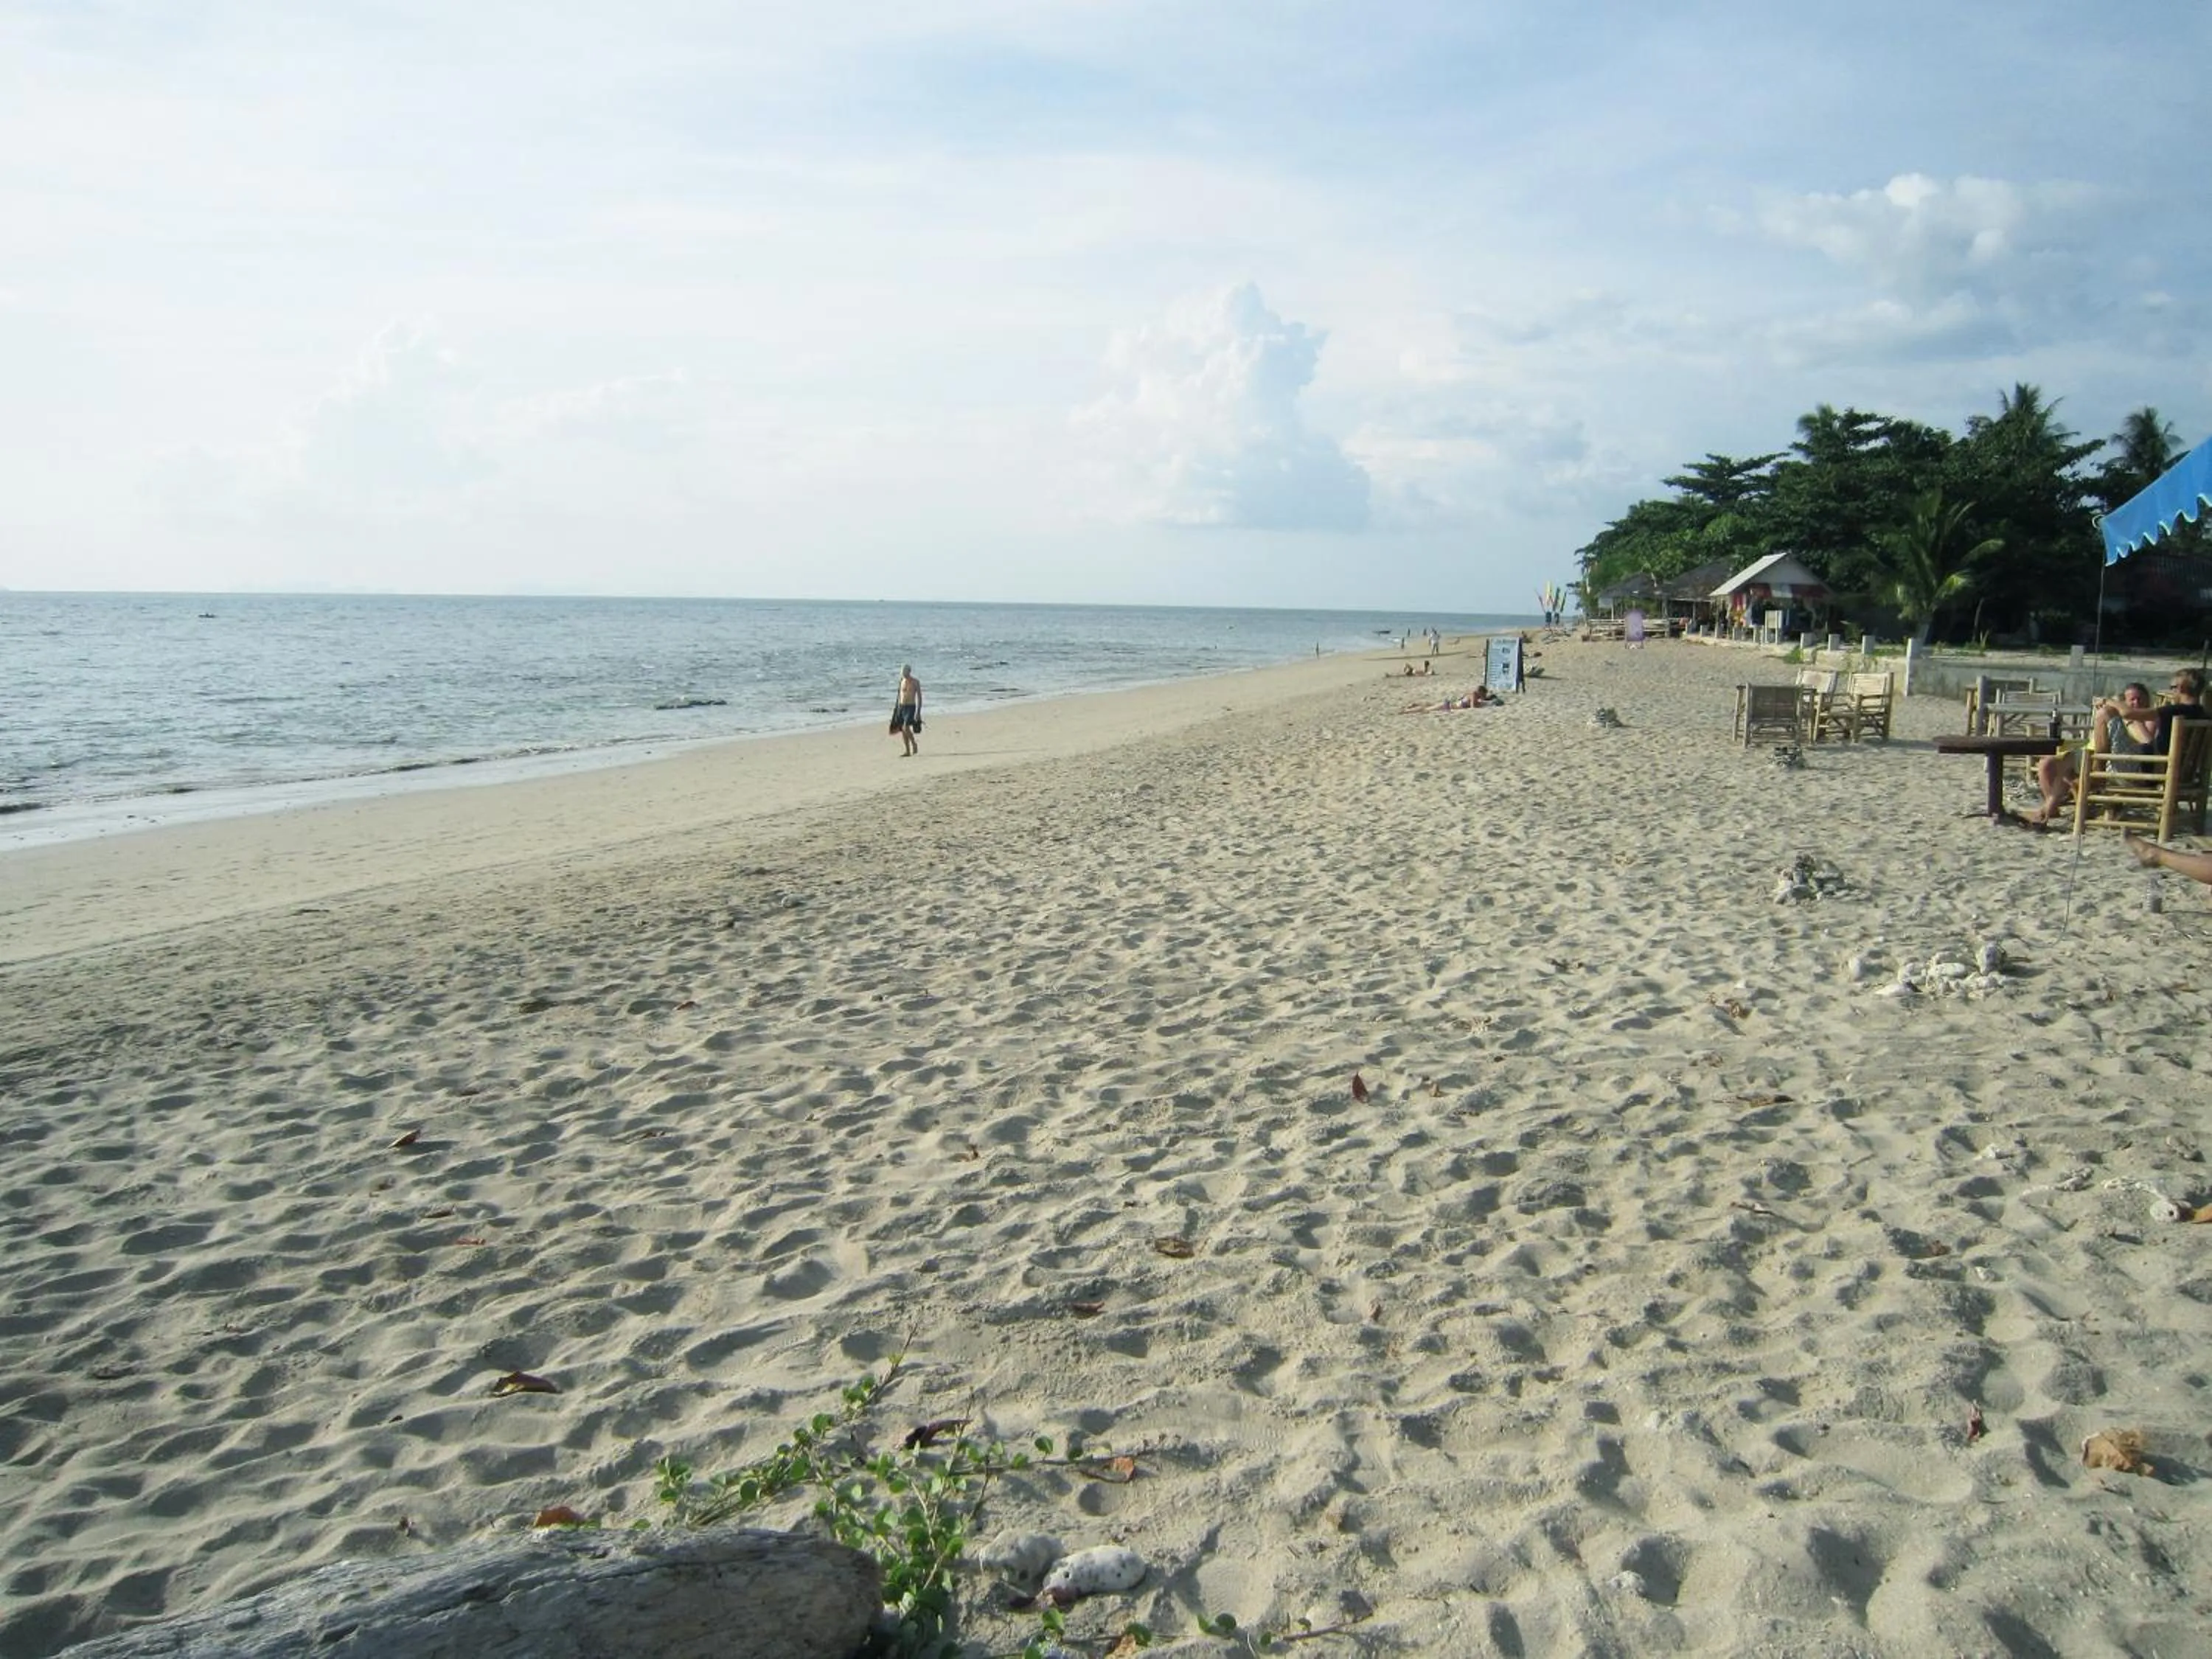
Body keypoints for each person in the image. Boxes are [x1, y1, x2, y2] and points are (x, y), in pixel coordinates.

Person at [2026, 681, 2157, 824]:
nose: (2136, 703)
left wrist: (2132, 717)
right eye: (2132, 700)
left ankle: (2049, 808)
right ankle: (2052, 808)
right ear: (2125, 701)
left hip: (2126, 763)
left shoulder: (2150, 717)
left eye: (2140, 699)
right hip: (2096, 752)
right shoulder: (2119, 717)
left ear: (2147, 701)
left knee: (2105, 714)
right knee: (2047, 764)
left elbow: (2148, 741)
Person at [890, 663, 923, 757]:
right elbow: (899, 696)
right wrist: (897, 709)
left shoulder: (915, 682)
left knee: (906, 727)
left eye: (905, 672)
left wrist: (918, 712)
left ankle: (914, 744)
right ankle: (907, 751)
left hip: (911, 706)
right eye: (902, 672)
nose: (904, 674)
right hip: (901, 707)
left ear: (909, 671)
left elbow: (919, 697)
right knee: (903, 730)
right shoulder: (902, 681)